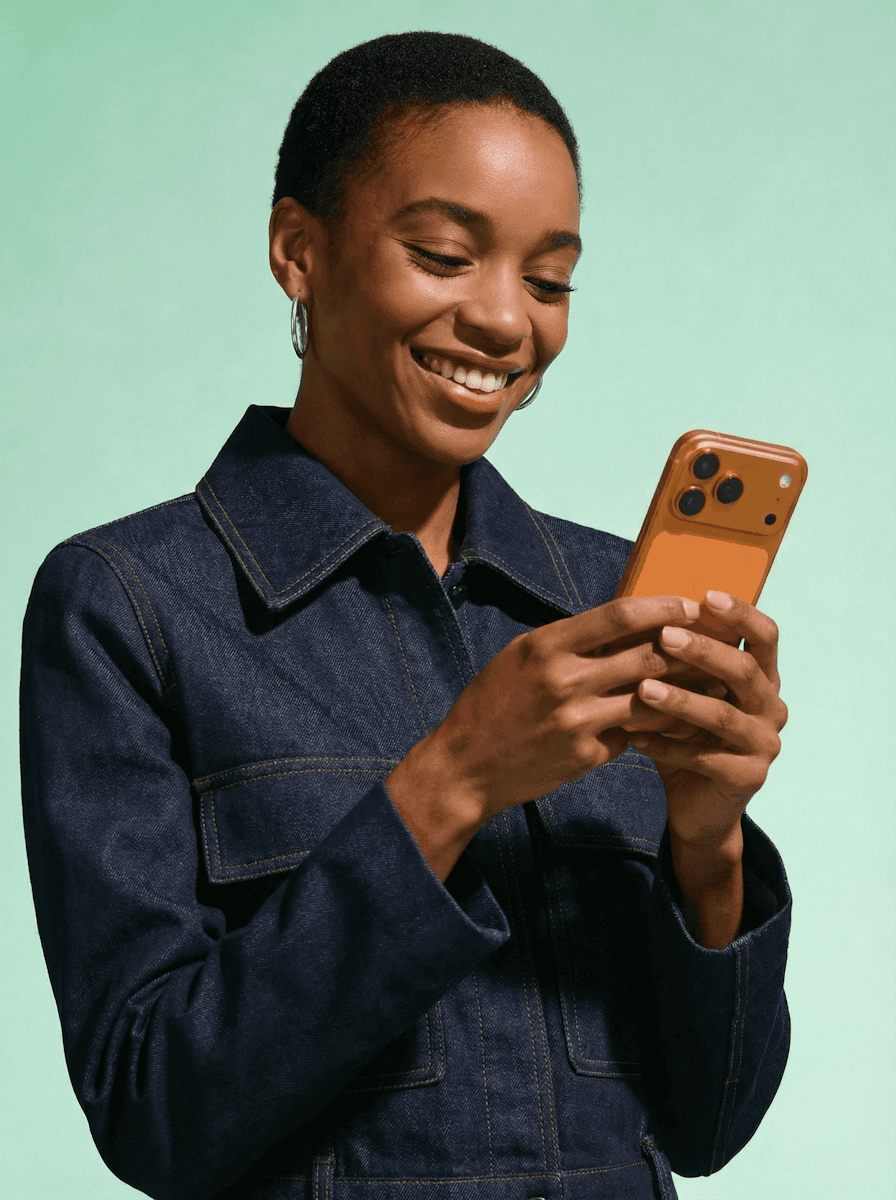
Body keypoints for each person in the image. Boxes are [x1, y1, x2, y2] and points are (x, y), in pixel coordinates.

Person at [19, 31, 791, 1200]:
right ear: (299, 252)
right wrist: (451, 784)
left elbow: (706, 1126)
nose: (502, 321)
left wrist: (706, 841)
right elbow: (153, 1112)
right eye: (442, 253)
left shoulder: (613, 602)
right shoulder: (127, 604)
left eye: (547, 279)